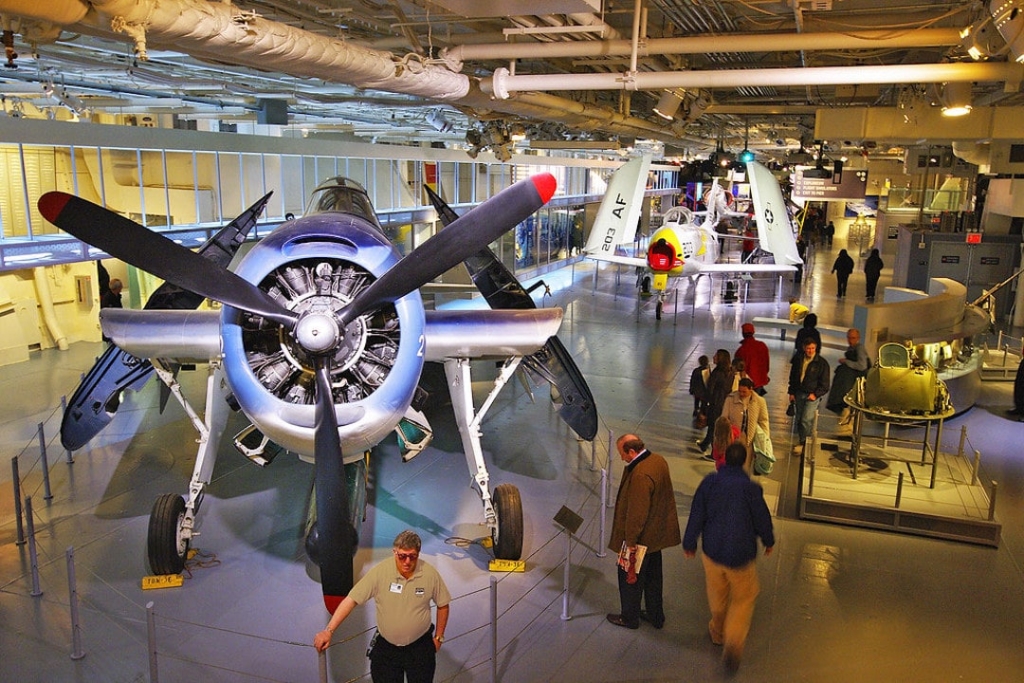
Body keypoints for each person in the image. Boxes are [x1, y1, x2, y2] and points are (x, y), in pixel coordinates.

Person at [683, 442, 775, 673]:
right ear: (744, 461)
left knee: (717, 593)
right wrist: (768, 540)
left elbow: (697, 513)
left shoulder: (709, 483)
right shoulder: (751, 489)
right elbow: (761, 518)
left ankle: (717, 632)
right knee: (743, 599)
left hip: (712, 551)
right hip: (741, 555)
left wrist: (689, 543)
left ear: (724, 458)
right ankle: (733, 644)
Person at [314, 530, 450, 683]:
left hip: (420, 647)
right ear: (394, 552)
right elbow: (351, 600)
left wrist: (438, 637)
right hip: (387, 649)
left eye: (412, 556)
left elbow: (443, 605)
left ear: (418, 553)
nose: (407, 562)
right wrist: (329, 631)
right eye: (402, 556)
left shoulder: (430, 574)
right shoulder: (381, 572)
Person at [606, 434, 682, 630]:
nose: (621, 458)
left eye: (622, 454)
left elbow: (636, 513)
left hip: (641, 539)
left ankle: (629, 617)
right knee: (654, 578)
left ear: (632, 451)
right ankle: (656, 615)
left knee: (629, 578)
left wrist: (630, 542)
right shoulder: (658, 460)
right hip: (656, 536)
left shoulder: (640, 474)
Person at [788, 338, 830, 454]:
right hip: (799, 393)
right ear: (804, 348)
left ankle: (804, 443)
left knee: (806, 420)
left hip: (812, 396)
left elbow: (825, 384)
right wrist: (791, 392)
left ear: (816, 348)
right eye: (808, 348)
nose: (810, 351)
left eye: (812, 348)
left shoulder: (822, 363)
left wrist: (815, 394)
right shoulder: (798, 360)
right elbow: (793, 377)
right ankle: (803, 441)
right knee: (799, 419)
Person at [722, 378, 771, 470]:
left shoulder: (760, 401)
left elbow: (763, 421)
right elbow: (724, 418)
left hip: (749, 438)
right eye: (740, 391)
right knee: (731, 463)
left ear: (751, 389)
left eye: (744, 392)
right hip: (733, 436)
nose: (741, 394)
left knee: (746, 465)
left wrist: (766, 439)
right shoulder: (730, 399)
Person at [825, 328, 870, 425]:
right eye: (849, 338)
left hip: (851, 383)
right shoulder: (852, 348)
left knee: (846, 405)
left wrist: (846, 362)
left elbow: (862, 366)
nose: (850, 340)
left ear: (858, 338)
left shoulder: (860, 348)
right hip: (846, 382)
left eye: (853, 338)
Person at [697, 350, 735, 454]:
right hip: (724, 403)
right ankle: (705, 444)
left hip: (715, 403)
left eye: (716, 356)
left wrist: (703, 408)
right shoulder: (731, 372)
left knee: (713, 426)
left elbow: (710, 391)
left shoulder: (716, 373)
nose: (713, 357)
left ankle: (715, 452)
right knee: (714, 426)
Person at [734, 323, 770, 396]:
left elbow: (738, 369)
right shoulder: (762, 346)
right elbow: (766, 364)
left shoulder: (741, 350)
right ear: (753, 332)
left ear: (743, 333)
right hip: (760, 381)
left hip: (747, 383)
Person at [688, 354, 710, 423]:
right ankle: (702, 412)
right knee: (703, 402)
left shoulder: (696, 371)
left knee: (696, 401)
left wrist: (691, 389)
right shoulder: (708, 371)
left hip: (697, 391)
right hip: (704, 391)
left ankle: (696, 410)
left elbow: (692, 380)